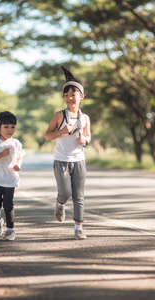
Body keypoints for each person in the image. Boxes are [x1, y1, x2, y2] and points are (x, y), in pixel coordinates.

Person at [45, 66, 91, 240]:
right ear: (64, 98)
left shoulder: (84, 118)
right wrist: (61, 132)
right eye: (67, 95)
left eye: (74, 94)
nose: (70, 98)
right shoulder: (59, 116)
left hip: (79, 160)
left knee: (78, 196)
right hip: (61, 160)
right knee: (65, 193)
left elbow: (88, 137)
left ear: (81, 96)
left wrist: (84, 141)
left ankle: (78, 227)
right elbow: (47, 135)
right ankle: (60, 203)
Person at [0, 111, 24, 241]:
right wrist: (2, 154)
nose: (10, 130)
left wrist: (18, 165)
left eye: (12, 127)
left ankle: (10, 229)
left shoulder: (17, 143)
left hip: (10, 178)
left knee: (8, 205)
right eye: (6, 127)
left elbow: (19, 157)